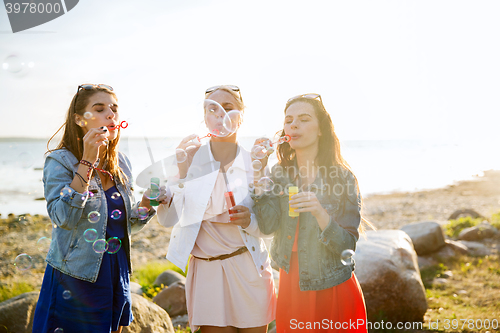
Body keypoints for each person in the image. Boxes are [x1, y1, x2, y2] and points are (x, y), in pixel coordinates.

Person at [33, 84, 167, 333]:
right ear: (79, 119)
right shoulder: (59, 160)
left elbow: (124, 227)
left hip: (116, 273)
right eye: (100, 108)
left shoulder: (121, 163)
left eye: (114, 109)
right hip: (74, 277)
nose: (111, 114)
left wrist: (148, 203)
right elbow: (63, 218)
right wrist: (87, 161)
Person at [157, 85, 276, 333]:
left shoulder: (254, 163)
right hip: (207, 271)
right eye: (213, 109)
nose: (220, 114)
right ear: (205, 117)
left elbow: (270, 229)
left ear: (242, 116)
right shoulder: (189, 159)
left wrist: (250, 221)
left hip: (248, 269)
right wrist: (180, 172)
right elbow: (168, 220)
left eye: (229, 108)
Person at [252, 93, 370, 333]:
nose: (293, 124)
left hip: (333, 285)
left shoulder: (343, 177)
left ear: (320, 129)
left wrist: (320, 213)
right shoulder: (278, 174)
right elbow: (266, 226)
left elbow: (348, 244)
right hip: (292, 286)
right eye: (289, 120)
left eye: (304, 119)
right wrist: (258, 175)